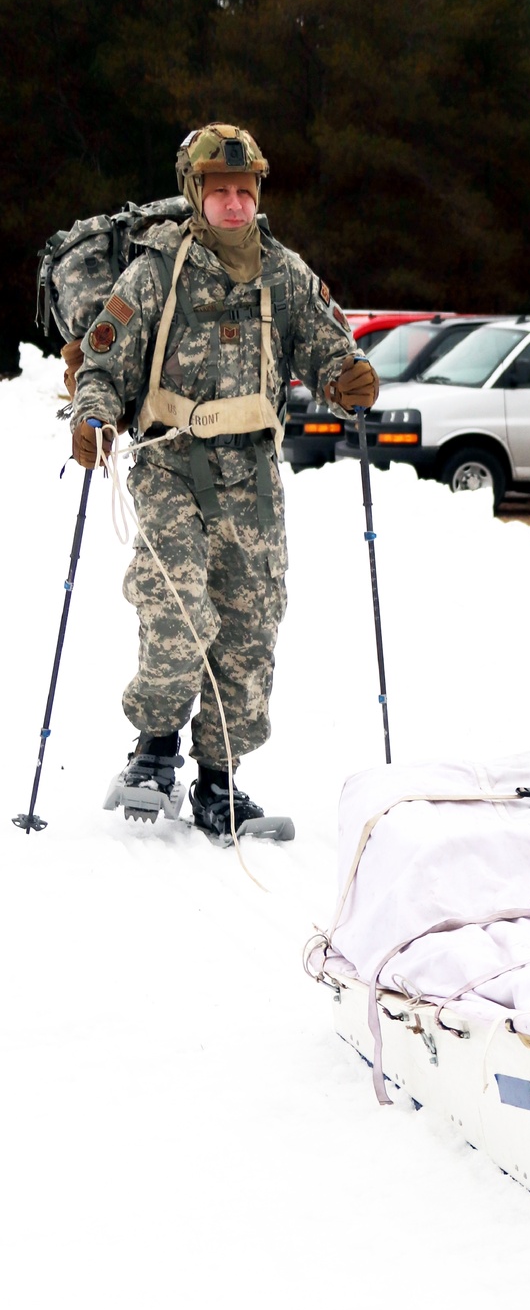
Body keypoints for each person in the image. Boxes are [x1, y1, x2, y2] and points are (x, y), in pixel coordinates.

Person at [70, 122, 379, 835]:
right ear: (195, 194)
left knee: (250, 625)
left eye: (246, 191)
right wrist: (93, 419)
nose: (236, 204)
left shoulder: (285, 272)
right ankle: (153, 750)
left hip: (255, 474)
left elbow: (328, 349)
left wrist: (347, 379)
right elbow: (103, 368)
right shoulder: (155, 272)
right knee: (178, 605)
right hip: (171, 463)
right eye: (221, 192)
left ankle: (220, 777)